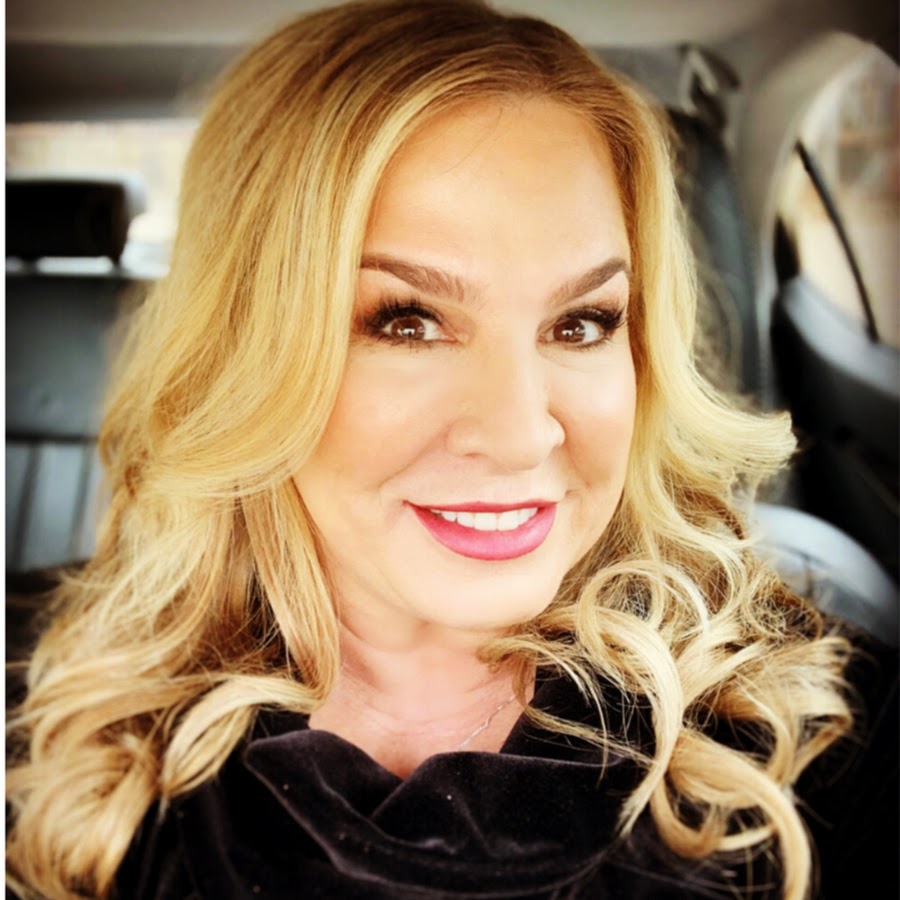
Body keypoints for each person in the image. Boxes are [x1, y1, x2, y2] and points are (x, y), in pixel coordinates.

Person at [6, 1, 892, 898]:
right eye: (407, 322)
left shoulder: (818, 734)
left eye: (581, 322)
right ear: (249, 350)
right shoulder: (41, 713)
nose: (520, 436)